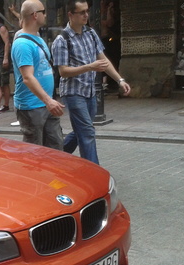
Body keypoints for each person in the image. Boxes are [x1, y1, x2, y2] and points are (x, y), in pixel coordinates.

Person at [52, 0, 131, 164]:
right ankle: (94, 170)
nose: (86, 15)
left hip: (90, 91)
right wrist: (89, 67)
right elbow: (63, 72)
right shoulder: (62, 39)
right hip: (73, 93)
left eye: (87, 11)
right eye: (81, 12)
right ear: (70, 15)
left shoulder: (90, 33)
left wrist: (120, 80)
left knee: (82, 130)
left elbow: (103, 60)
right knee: (87, 132)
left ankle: (56, 156)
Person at [11, 1, 64, 149]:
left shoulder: (38, 38)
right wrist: (49, 100)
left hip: (47, 104)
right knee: (34, 153)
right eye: (43, 12)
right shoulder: (22, 44)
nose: (46, 15)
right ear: (35, 15)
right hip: (32, 107)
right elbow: (27, 77)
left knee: (56, 148)